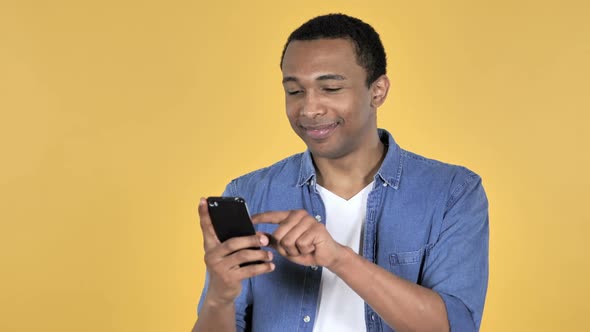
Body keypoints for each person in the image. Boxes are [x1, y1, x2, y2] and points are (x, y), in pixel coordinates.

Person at [193, 13, 489, 332]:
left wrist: (339, 259)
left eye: (331, 88)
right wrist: (219, 299)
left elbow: (455, 326)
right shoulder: (251, 192)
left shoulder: (453, 192)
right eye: (294, 91)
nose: (309, 109)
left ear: (377, 91)